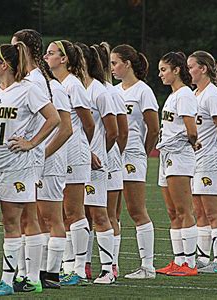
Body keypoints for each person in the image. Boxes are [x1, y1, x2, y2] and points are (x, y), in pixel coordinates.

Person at [0, 42, 60, 296]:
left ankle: (6, 280)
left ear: (5, 64)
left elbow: (54, 118)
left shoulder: (28, 90)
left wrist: (32, 143)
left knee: (11, 222)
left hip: (16, 166)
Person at [11, 29, 73, 289]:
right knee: (31, 216)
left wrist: (40, 152)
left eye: (15, 47)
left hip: (48, 159)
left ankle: (50, 274)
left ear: (25, 49)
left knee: (49, 217)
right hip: (33, 158)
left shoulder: (44, 83)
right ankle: (32, 272)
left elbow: (66, 127)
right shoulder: (28, 80)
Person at [44, 40, 95, 285]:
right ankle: (66, 265)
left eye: (52, 53)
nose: (46, 56)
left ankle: (79, 267)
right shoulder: (52, 84)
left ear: (64, 59)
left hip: (73, 153)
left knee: (74, 211)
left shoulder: (73, 85)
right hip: (59, 153)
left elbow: (89, 123)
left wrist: (86, 149)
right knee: (63, 213)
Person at [111, 44, 159, 279]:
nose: (112, 68)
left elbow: (153, 128)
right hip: (114, 155)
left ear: (127, 63)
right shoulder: (115, 91)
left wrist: (143, 152)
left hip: (132, 155)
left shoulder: (143, 91)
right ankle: (112, 265)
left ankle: (148, 266)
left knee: (136, 210)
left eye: (115, 63)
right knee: (113, 212)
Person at [187, 51, 217, 274]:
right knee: (200, 212)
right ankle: (203, 258)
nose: (189, 71)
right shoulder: (195, 94)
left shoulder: (212, 95)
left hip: (210, 160)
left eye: (191, 67)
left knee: (213, 212)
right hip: (196, 160)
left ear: (203, 68)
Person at [76, 42, 119, 284]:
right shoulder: (73, 88)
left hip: (94, 165)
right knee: (77, 214)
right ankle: (80, 267)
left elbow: (113, 131)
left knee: (99, 214)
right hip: (74, 163)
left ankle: (108, 269)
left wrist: (98, 152)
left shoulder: (100, 91)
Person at [156, 51, 199, 277]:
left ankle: (189, 264)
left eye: (164, 70)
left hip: (179, 156)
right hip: (167, 156)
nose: (160, 74)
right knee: (172, 212)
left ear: (177, 70)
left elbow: (192, 131)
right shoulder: (173, 95)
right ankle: (178, 260)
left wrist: (190, 143)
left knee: (184, 210)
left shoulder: (184, 95)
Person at [91, 42, 128, 278]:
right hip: (98, 157)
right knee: (87, 214)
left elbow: (120, 131)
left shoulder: (110, 91)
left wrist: (109, 154)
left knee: (109, 214)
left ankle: (111, 264)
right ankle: (83, 264)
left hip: (108, 158)